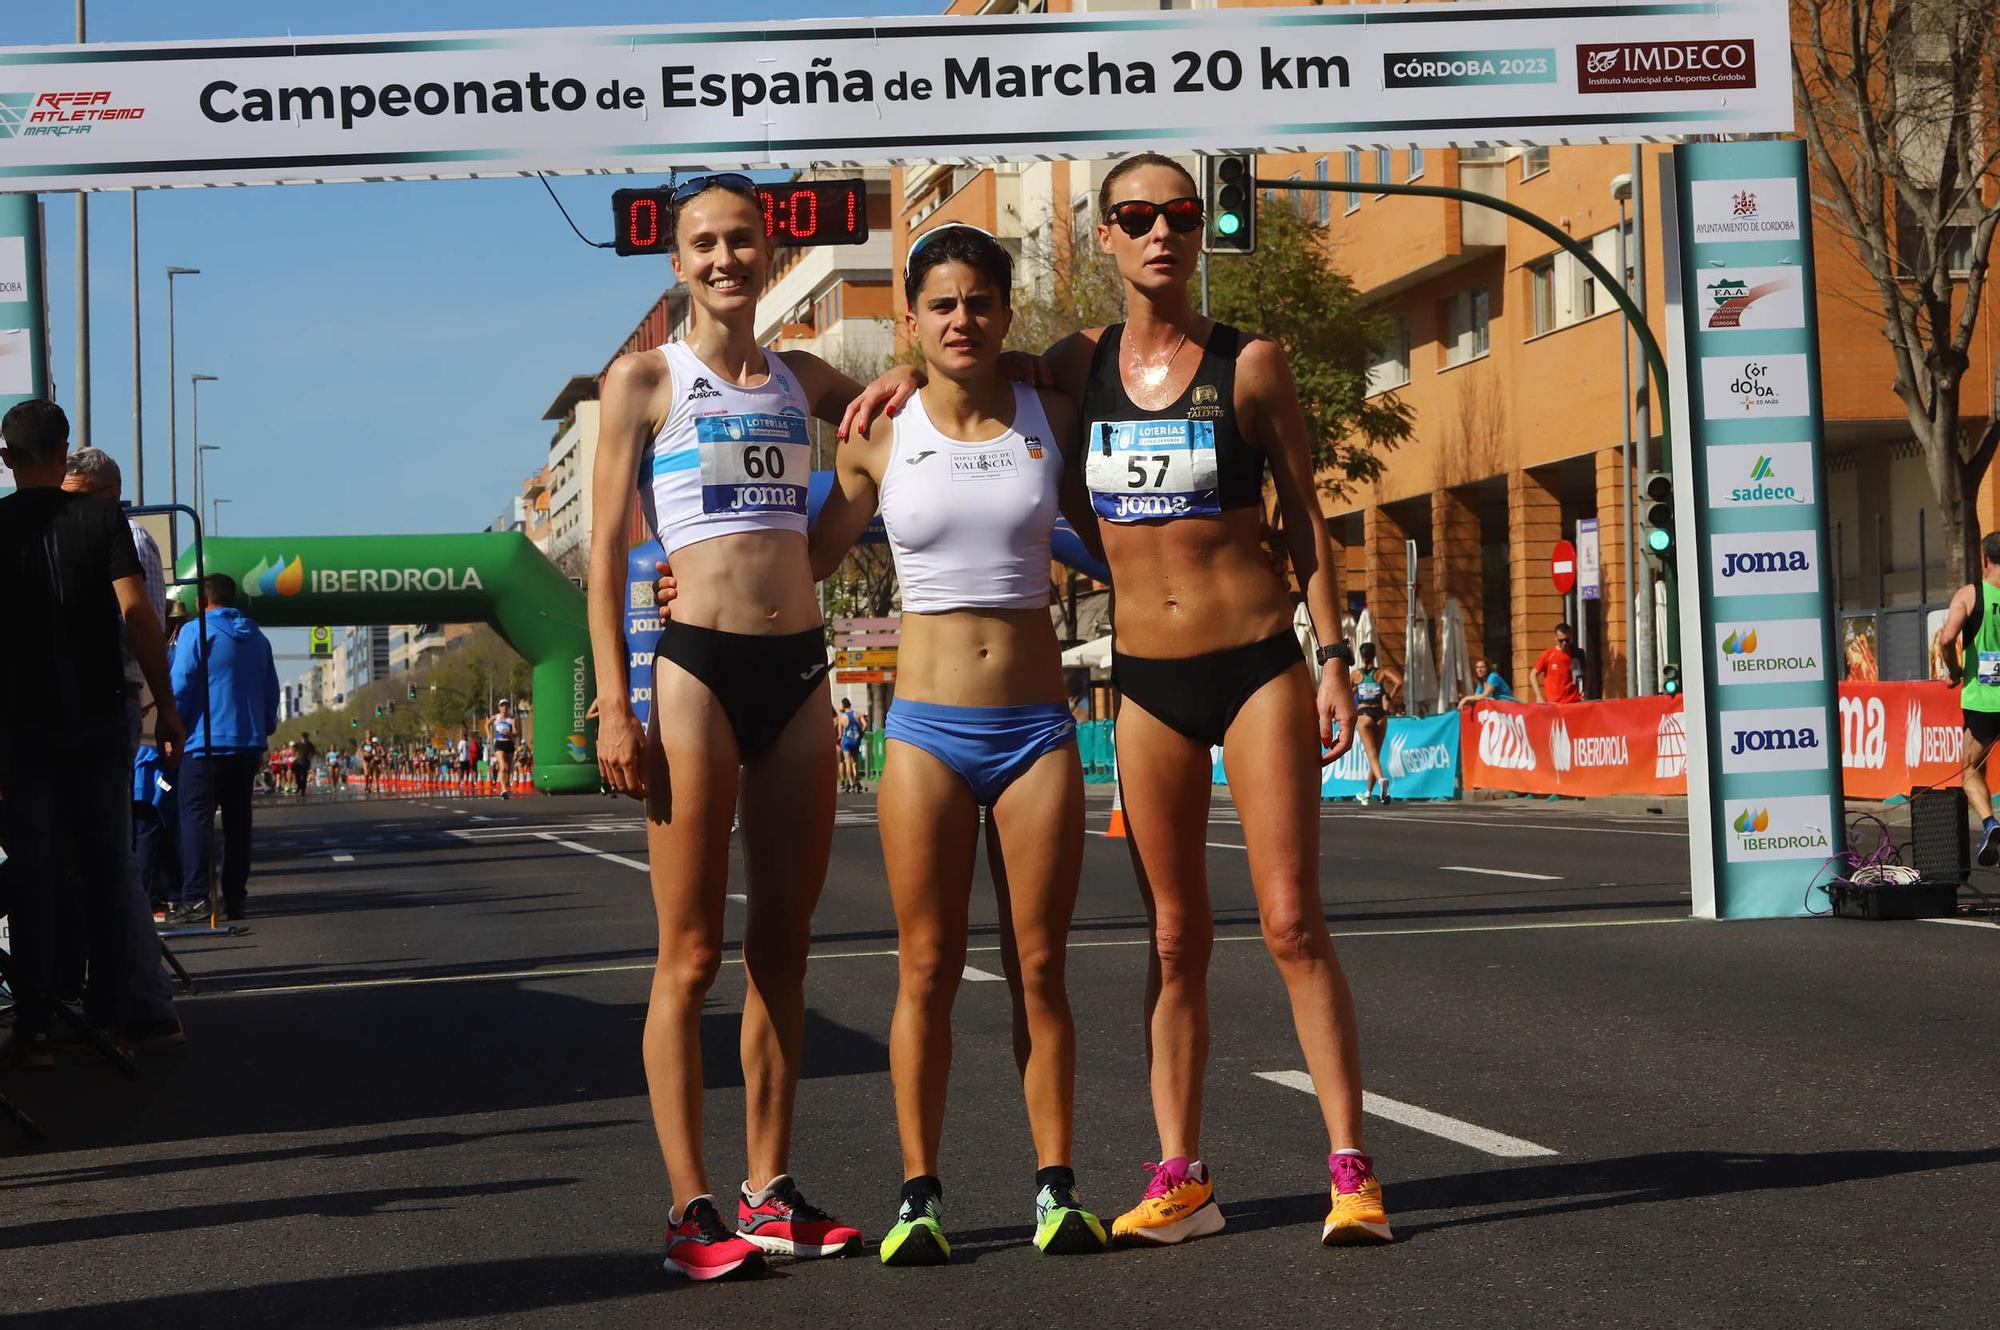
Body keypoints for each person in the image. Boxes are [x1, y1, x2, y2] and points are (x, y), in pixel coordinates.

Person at [843, 152, 1389, 1248]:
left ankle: (1350, 1170)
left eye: (1179, 215)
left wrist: (1335, 658)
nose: (1158, 232)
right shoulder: (1069, 366)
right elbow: (967, 369)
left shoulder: (1250, 364)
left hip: (1253, 663)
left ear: (1198, 231)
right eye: (1135, 216)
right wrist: (907, 377)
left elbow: (1304, 516)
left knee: (1287, 919)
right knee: (1173, 934)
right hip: (1142, 676)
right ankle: (1178, 1174)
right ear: (1103, 237)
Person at [587, 172, 914, 1280]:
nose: (725, 259)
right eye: (704, 245)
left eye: (742, 242)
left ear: (769, 254)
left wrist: (859, 484)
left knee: (783, 942)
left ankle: (765, 1192)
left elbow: (899, 403)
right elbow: (596, 564)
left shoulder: (803, 376)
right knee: (688, 954)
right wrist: (614, 705)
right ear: (676, 263)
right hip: (695, 678)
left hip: (800, 669)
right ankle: (689, 1211)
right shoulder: (641, 379)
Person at [809, 223, 1104, 1264]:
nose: (961, 318)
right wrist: (673, 571)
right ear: (911, 320)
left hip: (1035, 730)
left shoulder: (1051, 410)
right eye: (940, 304)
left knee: (1039, 967)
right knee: (925, 966)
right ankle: (917, 1193)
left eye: (980, 300)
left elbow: (1110, 357)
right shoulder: (876, 431)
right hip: (927, 733)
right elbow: (799, 555)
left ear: (1004, 311)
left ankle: (1057, 1187)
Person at [0, 399, 185, 1063]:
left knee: (32, 867)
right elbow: (138, 615)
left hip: (21, 723)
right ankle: (117, 1015)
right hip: (101, 713)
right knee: (108, 862)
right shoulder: (104, 518)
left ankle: (34, 1023)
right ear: (63, 452)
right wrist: (164, 703)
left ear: (5, 459)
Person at [61, 448, 181, 918]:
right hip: (67, 698)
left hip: (109, 695)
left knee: (107, 836)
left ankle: (130, 969)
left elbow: (142, 624)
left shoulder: (130, 537)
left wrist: (165, 707)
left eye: (82, 497)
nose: (71, 507)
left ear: (111, 493)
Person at [170, 573, 279, 922]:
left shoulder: (196, 631)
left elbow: (181, 683)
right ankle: (235, 898)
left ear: (203, 601)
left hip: (203, 744)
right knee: (238, 825)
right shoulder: (258, 638)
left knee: (196, 821)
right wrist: (261, 731)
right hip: (246, 744)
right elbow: (270, 693)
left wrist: (173, 725)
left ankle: (197, 897)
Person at [1933, 531, 2000, 865]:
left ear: (1984, 560)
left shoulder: (1971, 595)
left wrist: (1956, 671)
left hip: (1984, 701)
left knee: (1971, 768)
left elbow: (1946, 639)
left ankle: (1990, 824)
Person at [1351, 642, 1402, 805]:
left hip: (1364, 714)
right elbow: (1399, 681)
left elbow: (1346, 692)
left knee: (1371, 756)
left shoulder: (1355, 675)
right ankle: (1367, 794)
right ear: (1374, 655)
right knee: (1376, 756)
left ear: (1361, 655)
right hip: (1380, 715)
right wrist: (1389, 696)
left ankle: (1381, 780)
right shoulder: (1382, 672)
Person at [1531, 622, 1585, 704]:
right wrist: (1539, 696)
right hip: (1553, 704)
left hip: (1573, 702)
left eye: (1567, 640)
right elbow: (1533, 674)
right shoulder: (1548, 654)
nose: (1564, 643)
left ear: (1571, 638)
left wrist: (1585, 690)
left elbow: (1587, 673)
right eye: (1561, 641)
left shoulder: (1577, 654)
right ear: (1555, 638)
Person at [489, 698, 518, 798]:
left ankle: (505, 788)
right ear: (499, 708)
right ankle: (503, 789)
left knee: (509, 768)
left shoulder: (512, 718)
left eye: (506, 705)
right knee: (503, 767)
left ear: (508, 707)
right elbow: (486, 724)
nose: (504, 707)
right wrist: (489, 734)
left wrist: (509, 733)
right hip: (499, 744)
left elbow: (516, 733)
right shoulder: (495, 717)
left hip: (509, 743)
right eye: (502, 705)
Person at [838, 698, 865, 793]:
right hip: (856, 740)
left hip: (846, 741)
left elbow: (840, 733)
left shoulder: (842, 717)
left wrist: (840, 739)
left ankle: (851, 782)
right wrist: (861, 733)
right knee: (855, 762)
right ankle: (857, 780)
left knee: (847, 762)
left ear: (843, 706)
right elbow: (865, 724)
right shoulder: (858, 714)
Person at [293, 730, 318, 797]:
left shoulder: (310, 744)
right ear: (302, 737)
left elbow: (313, 751)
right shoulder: (298, 744)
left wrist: (311, 755)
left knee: (304, 776)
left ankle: (303, 790)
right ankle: (299, 786)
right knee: (297, 776)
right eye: (304, 737)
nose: (305, 738)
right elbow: (293, 749)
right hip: (298, 761)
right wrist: (294, 755)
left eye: (306, 737)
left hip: (306, 762)